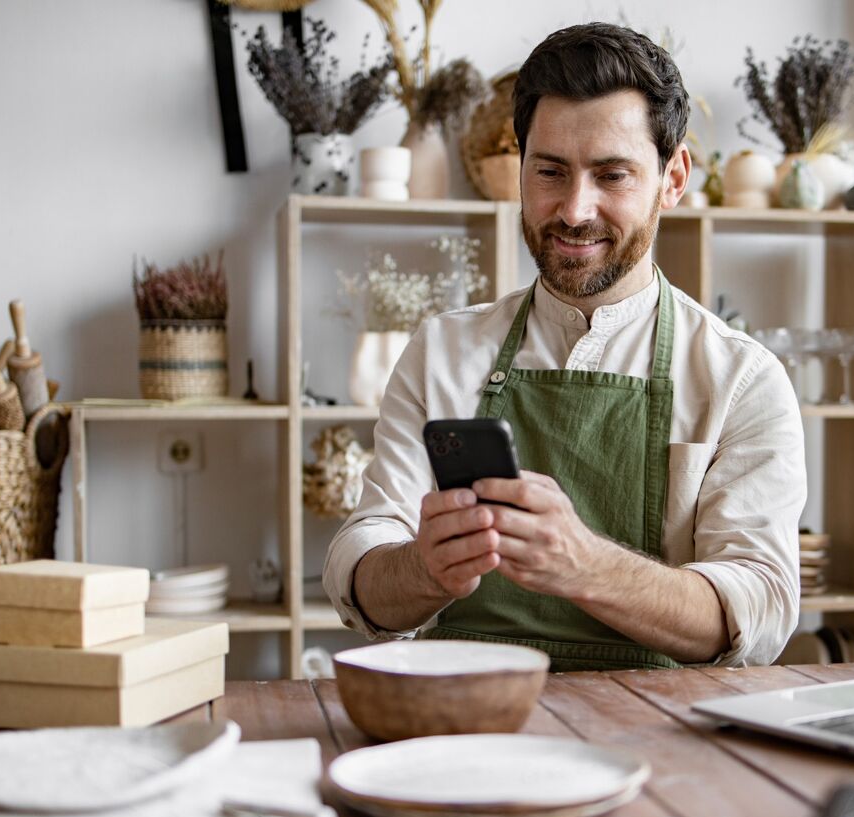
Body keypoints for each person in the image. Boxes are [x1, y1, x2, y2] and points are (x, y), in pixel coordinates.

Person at [324, 22, 805, 670]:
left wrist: (587, 565)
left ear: (674, 177)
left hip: (662, 740)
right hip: (471, 721)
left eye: (612, 175)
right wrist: (422, 569)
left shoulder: (742, 378)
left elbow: (762, 610)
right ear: (519, 169)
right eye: (550, 171)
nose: (575, 210)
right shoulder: (442, 351)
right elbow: (362, 572)